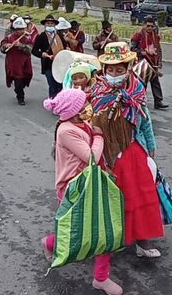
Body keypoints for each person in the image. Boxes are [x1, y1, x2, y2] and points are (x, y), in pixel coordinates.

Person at [42, 88, 122, 295]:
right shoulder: (66, 130)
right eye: (84, 103)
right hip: (73, 188)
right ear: (74, 110)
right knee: (74, 233)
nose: (88, 106)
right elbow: (92, 157)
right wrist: (99, 136)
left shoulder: (80, 123)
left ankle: (100, 278)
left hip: (91, 183)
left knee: (101, 230)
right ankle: (50, 243)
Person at [90, 42, 164, 260]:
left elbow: (145, 119)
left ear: (128, 68)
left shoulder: (137, 90)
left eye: (119, 70)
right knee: (109, 196)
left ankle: (142, 240)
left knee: (140, 194)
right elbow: (90, 120)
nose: (114, 74)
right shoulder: (97, 89)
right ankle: (109, 237)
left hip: (132, 148)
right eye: (110, 70)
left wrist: (150, 144)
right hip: (106, 151)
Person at [130, 16, 168, 110]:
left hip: (153, 62)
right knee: (143, 83)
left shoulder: (155, 36)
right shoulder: (138, 35)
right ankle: (139, 100)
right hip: (143, 62)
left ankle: (158, 102)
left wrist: (159, 62)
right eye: (148, 26)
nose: (150, 28)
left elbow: (158, 49)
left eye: (152, 26)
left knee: (155, 82)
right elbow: (132, 48)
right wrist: (140, 52)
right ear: (144, 25)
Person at [0, 17, 36, 105]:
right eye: (18, 29)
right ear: (14, 30)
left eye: (22, 29)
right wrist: (6, 46)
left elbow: (30, 50)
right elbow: (2, 49)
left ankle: (18, 88)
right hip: (13, 63)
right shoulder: (9, 37)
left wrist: (20, 45)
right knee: (17, 78)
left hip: (25, 62)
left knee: (27, 75)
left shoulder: (27, 38)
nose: (20, 31)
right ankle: (21, 97)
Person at [32, 14, 68, 99]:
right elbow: (34, 50)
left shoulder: (59, 35)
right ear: (45, 25)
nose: (50, 25)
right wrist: (42, 54)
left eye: (52, 23)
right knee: (52, 85)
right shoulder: (41, 36)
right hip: (49, 64)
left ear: (55, 25)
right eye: (48, 23)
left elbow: (65, 46)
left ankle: (60, 103)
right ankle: (52, 103)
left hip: (60, 64)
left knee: (60, 85)